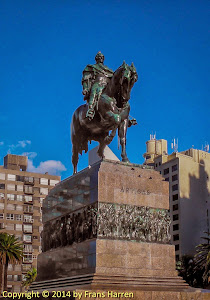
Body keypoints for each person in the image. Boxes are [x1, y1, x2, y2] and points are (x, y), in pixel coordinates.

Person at [82, 51, 114, 120]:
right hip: (98, 83)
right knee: (94, 92)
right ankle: (90, 110)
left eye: (102, 57)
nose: (101, 58)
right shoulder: (91, 67)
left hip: (108, 86)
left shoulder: (109, 70)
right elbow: (86, 79)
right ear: (96, 59)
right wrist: (85, 88)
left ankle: (124, 114)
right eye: (99, 57)